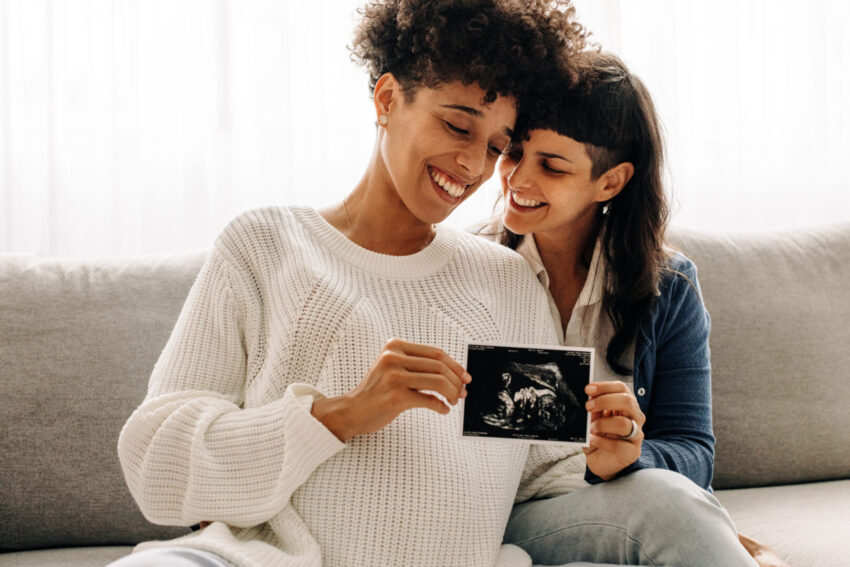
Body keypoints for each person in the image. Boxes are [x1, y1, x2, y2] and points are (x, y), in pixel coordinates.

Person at [111, 2, 589, 566]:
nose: (472, 165)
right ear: (387, 100)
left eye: (494, 147)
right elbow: (155, 465)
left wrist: (608, 456)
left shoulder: (505, 283)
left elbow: (547, 478)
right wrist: (338, 417)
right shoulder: (266, 245)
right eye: (457, 125)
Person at [475, 51, 779, 566]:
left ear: (610, 182)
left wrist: (631, 458)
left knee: (667, 506)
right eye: (513, 152)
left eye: (551, 165)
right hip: (501, 514)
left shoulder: (670, 286)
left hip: (617, 502)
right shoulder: (470, 269)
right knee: (671, 509)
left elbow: (693, 451)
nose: (518, 180)